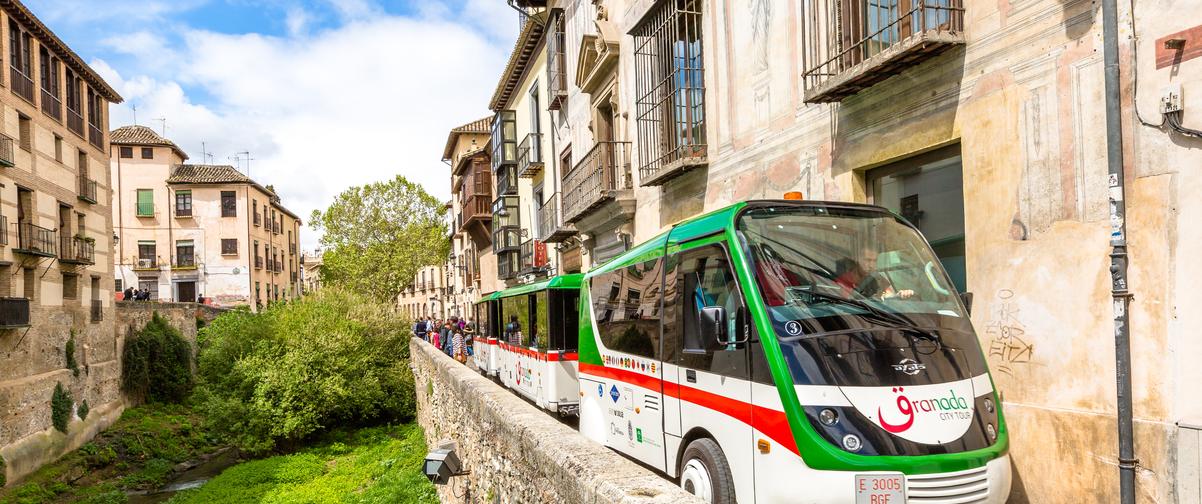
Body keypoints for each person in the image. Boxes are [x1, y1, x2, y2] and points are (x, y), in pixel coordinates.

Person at [834, 247, 914, 300]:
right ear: (858, 259)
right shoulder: (843, 280)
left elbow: (888, 294)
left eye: (874, 261)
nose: (872, 265)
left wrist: (898, 295)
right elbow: (845, 302)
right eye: (868, 260)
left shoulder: (877, 278)